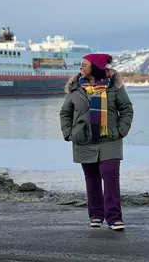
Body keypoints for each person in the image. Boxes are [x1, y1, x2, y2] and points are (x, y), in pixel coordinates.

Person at [59, 53, 134, 231]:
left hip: (109, 139)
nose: (81, 67)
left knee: (110, 176)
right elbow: (65, 112)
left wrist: (121, 130)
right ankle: (96, 215)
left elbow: (126, 109)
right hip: (83, 140)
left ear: (95, 66)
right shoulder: (76, 88)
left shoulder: (114, 87)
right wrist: (69, 133)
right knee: (91, 179)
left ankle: (114, 218)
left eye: (84, 64)